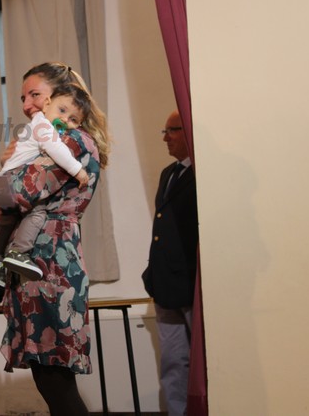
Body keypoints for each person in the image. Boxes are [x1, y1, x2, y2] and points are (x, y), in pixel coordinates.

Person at [0, 63, 110, 416]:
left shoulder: (71, 140)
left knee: (55, 379)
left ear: (60, 95)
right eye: (23, 97)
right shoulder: (56, 139)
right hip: (44, 255)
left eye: (36, 95)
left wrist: (6, 166)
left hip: (49, 262)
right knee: (50, 377)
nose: (28, 105)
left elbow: (19, 191)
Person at [0, 83, 90, 287]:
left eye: (73, 119)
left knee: (7, 222)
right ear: (47, 104)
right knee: (38, 211)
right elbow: (56, 149)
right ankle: (19, 252)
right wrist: (77, 170)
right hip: (14, 179)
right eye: (62, 110)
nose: (65, 119)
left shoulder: (39, 124)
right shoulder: (43, 125)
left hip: (3, 181)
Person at [141, 110, 198, 416]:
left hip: (190, 283)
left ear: (188, 132)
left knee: (201, 358)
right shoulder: (169, 173)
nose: (165, 138)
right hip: (165, 283)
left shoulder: (201, 173)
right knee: (173, 360)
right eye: (164, 131)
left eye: (171, 131)